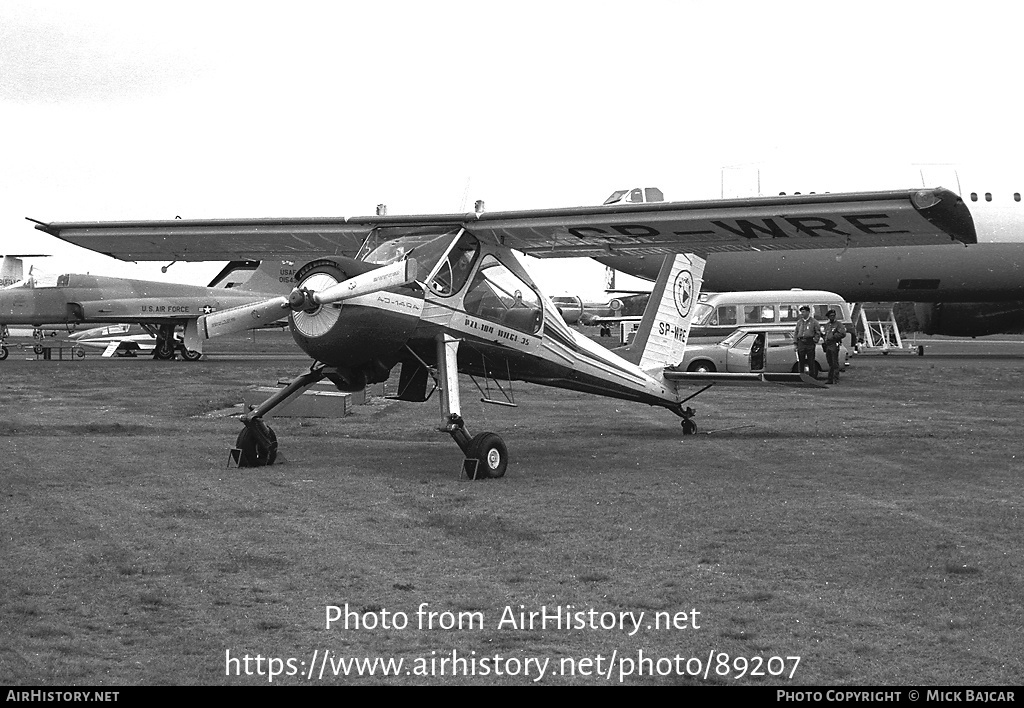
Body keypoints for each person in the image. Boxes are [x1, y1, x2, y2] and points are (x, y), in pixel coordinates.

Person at [793, 305, 820, 377]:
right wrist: (795, 343)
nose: (802, 313)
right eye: (801, 312)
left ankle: (812, 376)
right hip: (801, 342)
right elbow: (796, 332)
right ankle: (801, 375)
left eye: (804, 312)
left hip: (809, 342)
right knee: (801, 360)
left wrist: (815, 340)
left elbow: (818, 332)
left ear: (808, 312)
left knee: (811, 360)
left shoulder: (814, 322)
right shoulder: (799, 322)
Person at [820, 308, 846, 384]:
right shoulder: (827, 325)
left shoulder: (838, 324)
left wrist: (834, 336)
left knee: (835, 363)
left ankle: (836, 379)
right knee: (830, 362)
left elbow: (843, 333)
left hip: (834, 344)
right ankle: (830, 379)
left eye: (833, 316)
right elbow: (825, 333)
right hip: (827, 345)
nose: (832, 317)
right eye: (830, 316)